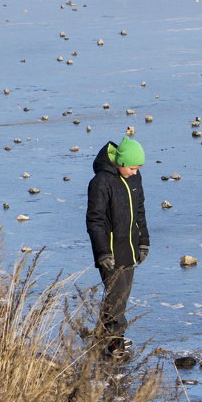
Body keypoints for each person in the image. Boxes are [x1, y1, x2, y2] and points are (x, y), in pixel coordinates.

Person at [86, 136, 150, 358]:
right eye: (132, 167)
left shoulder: (134, 178)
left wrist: (143, 242)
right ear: (121, 163)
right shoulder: (101, 183)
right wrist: (103, 252)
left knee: (120, 297)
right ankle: (114, 343)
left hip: (129, 248)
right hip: (110, 253)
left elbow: (139, 210)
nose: (135, 172)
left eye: (138, 168)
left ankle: (101, 335)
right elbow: (95, 221)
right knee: (117, 297)